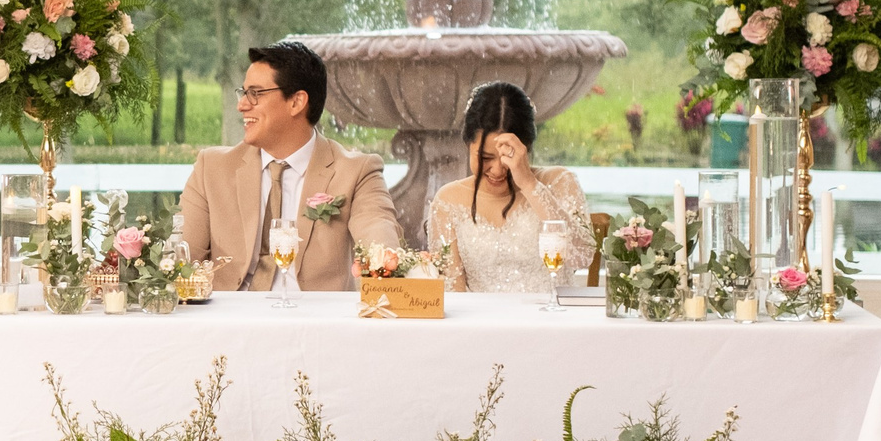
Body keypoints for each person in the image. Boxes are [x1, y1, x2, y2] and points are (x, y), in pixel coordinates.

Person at [179, 42, 400, 293]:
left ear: (296, 102)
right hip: (228, 313)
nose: (242, 105)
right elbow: (180, 259)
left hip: (315, 315)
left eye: (256, 93)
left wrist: (382, 263)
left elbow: (380, 245)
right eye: (244, 93)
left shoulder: (357, 172)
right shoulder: (211, 168)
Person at [426, 81, 597, 293]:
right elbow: (453, 293)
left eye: (510, 156)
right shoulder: (448, 201)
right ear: (467, 145)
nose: (497, 170)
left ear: (527, 148)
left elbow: (582, 257)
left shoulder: (559, 182)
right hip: (478, 315)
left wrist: (529, 183)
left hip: (552, 312)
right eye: (485, 157)